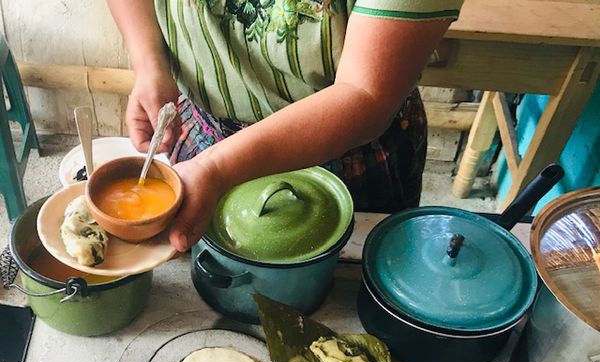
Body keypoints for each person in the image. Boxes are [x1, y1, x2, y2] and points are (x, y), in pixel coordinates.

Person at [107, 0, 464, 252]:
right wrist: (149, 62)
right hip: (202, 133)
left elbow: (366, 93)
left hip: (345, 154)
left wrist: (214, 167)